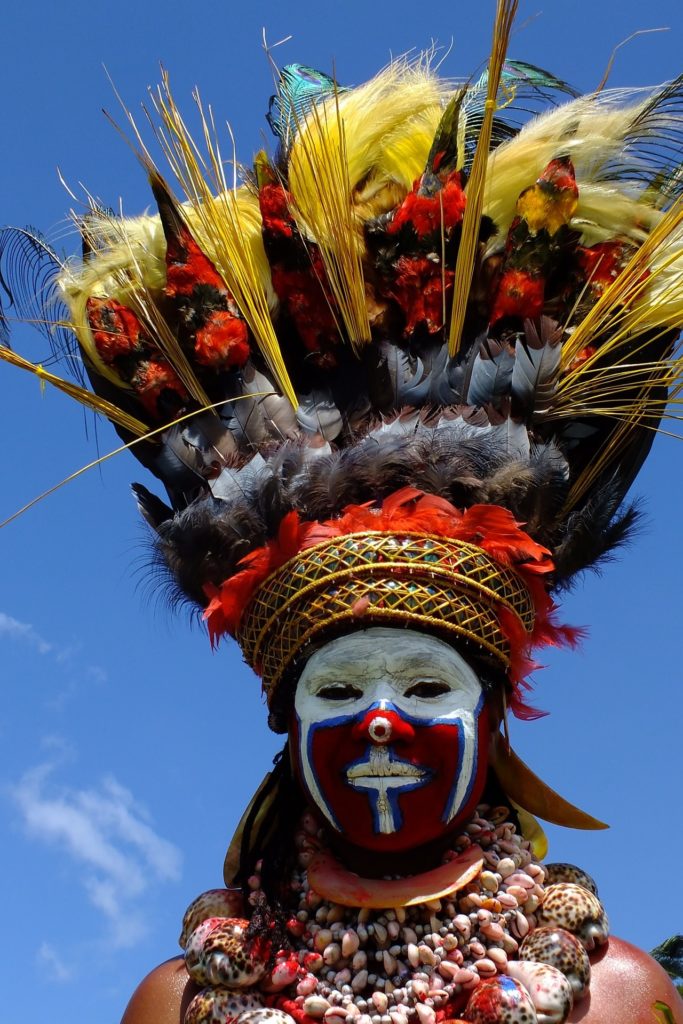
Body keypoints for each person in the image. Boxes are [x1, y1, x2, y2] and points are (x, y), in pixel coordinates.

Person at [2, 5, 682, 1021]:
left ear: (491, 714)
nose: (377, 716)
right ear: (284, 718)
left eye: (421, 681)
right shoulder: (184, 999)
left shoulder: (612, 993)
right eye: (338, 690)